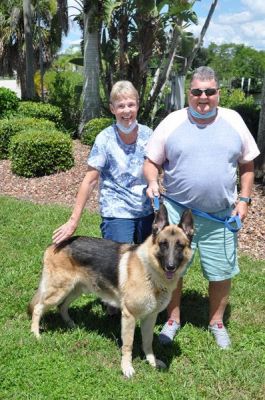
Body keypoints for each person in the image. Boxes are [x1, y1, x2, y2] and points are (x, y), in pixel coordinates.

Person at [143, 66, 260, 349]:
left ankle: (216, 322)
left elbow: (247, 165)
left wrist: (244, 200)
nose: (203, 97)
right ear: (190, 93)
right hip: (175, 214)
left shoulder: (234, 120)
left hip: (220, 217)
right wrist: (152, 182)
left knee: (221, 272)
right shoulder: (172, 121)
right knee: (171, 269)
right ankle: (172, 319)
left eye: (209, 91)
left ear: (218, 93)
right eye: (197, 91)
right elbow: (151, 161)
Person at [52, 80, 154, 248]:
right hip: (116, 211)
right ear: (112, 109)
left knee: (148, 268)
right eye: (121, 106)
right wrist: (73, 221)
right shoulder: (104, 139)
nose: (126, 110)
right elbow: (90, 180)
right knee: (118, 267)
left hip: (146, 211)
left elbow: (158, 167)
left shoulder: (149, 135)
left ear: (137, 106)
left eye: (131, 105)